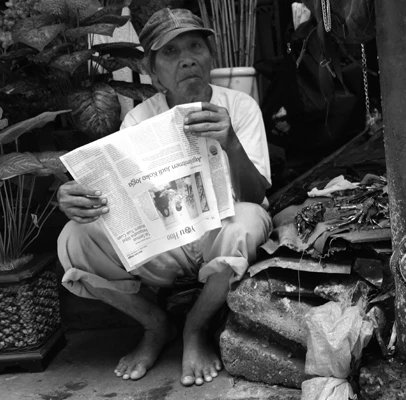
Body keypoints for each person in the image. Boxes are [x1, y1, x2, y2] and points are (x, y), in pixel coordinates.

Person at [56, 8, 272, 387]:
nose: (187, 58)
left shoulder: (239, 106)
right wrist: (79, 200)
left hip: (216, 236)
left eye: (194, 47)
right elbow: (121, 205)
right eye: (170, 53)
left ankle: (194, 327)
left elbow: (256, 194)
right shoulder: (139, 119)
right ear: (154, 73)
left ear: (210, 58)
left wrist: (231, 142)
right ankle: (155, 325)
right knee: (74, 239)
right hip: (163, 243)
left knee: (247, 221)